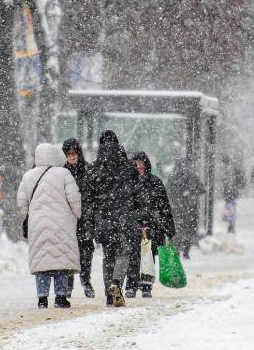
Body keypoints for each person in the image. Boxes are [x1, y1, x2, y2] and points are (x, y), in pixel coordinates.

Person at [17, 143, 82, 309]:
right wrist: (77, 214)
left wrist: (30, 216)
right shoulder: (64, 173)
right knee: (60, 259)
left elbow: (21, 203)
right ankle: (61, 296)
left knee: (42, 261)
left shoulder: (28, 176)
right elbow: (74, 198)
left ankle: (42, 298)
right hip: (61, 223)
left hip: (37, 224)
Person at [86, 130, 138, 307]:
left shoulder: (95, 168)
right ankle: (117, 282)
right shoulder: (127, 167)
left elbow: (89, 196)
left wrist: (92, 220)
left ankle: (109, 293)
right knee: (123, 252)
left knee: (108, 255)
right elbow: (136, 192)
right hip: (123, 217)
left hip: (103, 217)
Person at [125, 151, 176, 298]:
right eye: (136, 163)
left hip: (153, 226)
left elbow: (164, 206)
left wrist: (168, 227)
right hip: (134, 226)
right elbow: (126, 206)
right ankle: (132, 285)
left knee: (148, 257)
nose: (139, 166)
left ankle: (146, 286)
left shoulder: (156, 182)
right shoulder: (129, 183)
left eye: (141, 163)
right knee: (134, 257)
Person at [62, 138, 95, 298]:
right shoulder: (61, 172)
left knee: (86, 252)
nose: (72, 156)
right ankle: (68, 284)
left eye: (74, 153)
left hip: (85, 218)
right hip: (68, 218)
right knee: (69, 252)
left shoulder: (88, 170)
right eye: (68, 154)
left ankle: (85, 280)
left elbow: (92, 194)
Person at [169, 156, 204, 259]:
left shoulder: (173, 177)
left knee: (179, 230)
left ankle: (178, 251)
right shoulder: (193, 177)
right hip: (190, 209)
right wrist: (192, 193)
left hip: (178, 208)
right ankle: (185, 252)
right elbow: (202, 190)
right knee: (189, 230)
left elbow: (168, 191)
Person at [222, 156, 246, 234]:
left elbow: (228, 183)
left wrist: (230, 189)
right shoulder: (231, 169)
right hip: (231, 192)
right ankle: (231, 225)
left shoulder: (229, 170)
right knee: (230, 208)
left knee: (230, 208)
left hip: (230, 192)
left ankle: (231, 225)